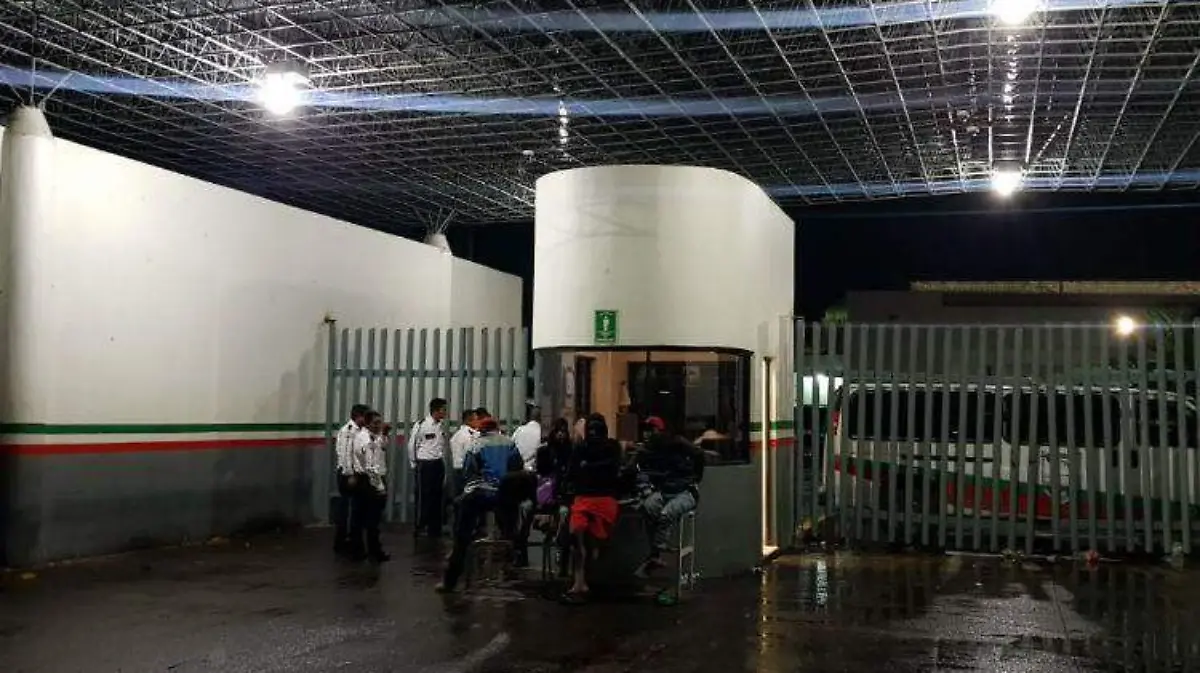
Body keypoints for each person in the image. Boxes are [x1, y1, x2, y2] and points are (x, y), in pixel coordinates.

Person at [436, 415, 524, 593]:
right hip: (505, 495)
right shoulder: (510, 443)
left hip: (481, 494)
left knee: (462, 532)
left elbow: (469, 472)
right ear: (497, 428)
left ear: (482, 430)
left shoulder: (476, 444)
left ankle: (451, 579)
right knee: (512, 527)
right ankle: (515, 553)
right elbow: (517, 468)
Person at [633, 416, 705, 578]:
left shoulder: (677, 443)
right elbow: (639, 470)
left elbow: (699, 454)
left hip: (685, 491)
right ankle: (656, 553)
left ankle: (659, 554)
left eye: (651, 430)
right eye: (645, 431)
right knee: (649, 507)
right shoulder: (648, 450)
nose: (647, 434)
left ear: (660, 431)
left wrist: (696, 477)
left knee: (667, 513)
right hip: (665, 490)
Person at [562, 413, 622, 604]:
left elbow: (575, 472)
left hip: (597, 499)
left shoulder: (600, 447)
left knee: (583, 541)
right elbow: (575, 471)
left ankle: (581, 580)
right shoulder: (601, 447)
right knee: (579, 538)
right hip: (592, 498)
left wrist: (587, 466)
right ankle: (580, 581)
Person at [349, 410, 391, 563]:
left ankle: (361, 550)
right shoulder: (366, 440)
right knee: (371, 519)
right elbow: (370, 466)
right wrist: (379, 486)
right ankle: (372, 551)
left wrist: (384, 434)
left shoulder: (373, 436)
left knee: (363, 518)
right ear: (367, 424)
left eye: (380, 422)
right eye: (375, 423)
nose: (379, 425)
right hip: (368, 480)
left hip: (369, 479)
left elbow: (382, 446)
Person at [534, 418, 575, 577]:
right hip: (549, 493)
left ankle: (561, 549)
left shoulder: (570, 451)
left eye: (563, 432)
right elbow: (541, 472)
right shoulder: (545, 451)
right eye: (558, 431)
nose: (560, 435)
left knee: (564, 516)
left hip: (562, 495)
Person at [333, 403, 370, 557]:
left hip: (358, 474)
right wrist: (350, 475)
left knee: (357, 510)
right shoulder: (348, 431)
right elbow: (345, 454)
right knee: (349, 510)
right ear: (358, 416)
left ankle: (353, 543)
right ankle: (347, 544)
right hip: (348, 475)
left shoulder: (362, 431)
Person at [409, 398, 449, 539]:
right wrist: (414, 463)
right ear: (436, 410)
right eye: (443, 409)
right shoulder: (422, 425)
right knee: (423, 497)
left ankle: (434, 527)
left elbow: (441, 446)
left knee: (437, 497)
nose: (445, 412)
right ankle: (421, 526)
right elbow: (412, 445)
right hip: (425, 464)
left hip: (438, 463)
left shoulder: (441, 426)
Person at [449, 409, 479, 498]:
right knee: (467, 496)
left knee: (458, 495)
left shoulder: (457, 434)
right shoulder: (469, 435)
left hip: (457, 469)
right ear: (468, 421)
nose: (478, 422)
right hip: (465, 470)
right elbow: (471, 451)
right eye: (476, 419)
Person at [510, 404, 543, 471]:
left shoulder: (519, 430)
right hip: (534, 469)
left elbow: (510, 445)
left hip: (519, 469)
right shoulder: (541, 432)